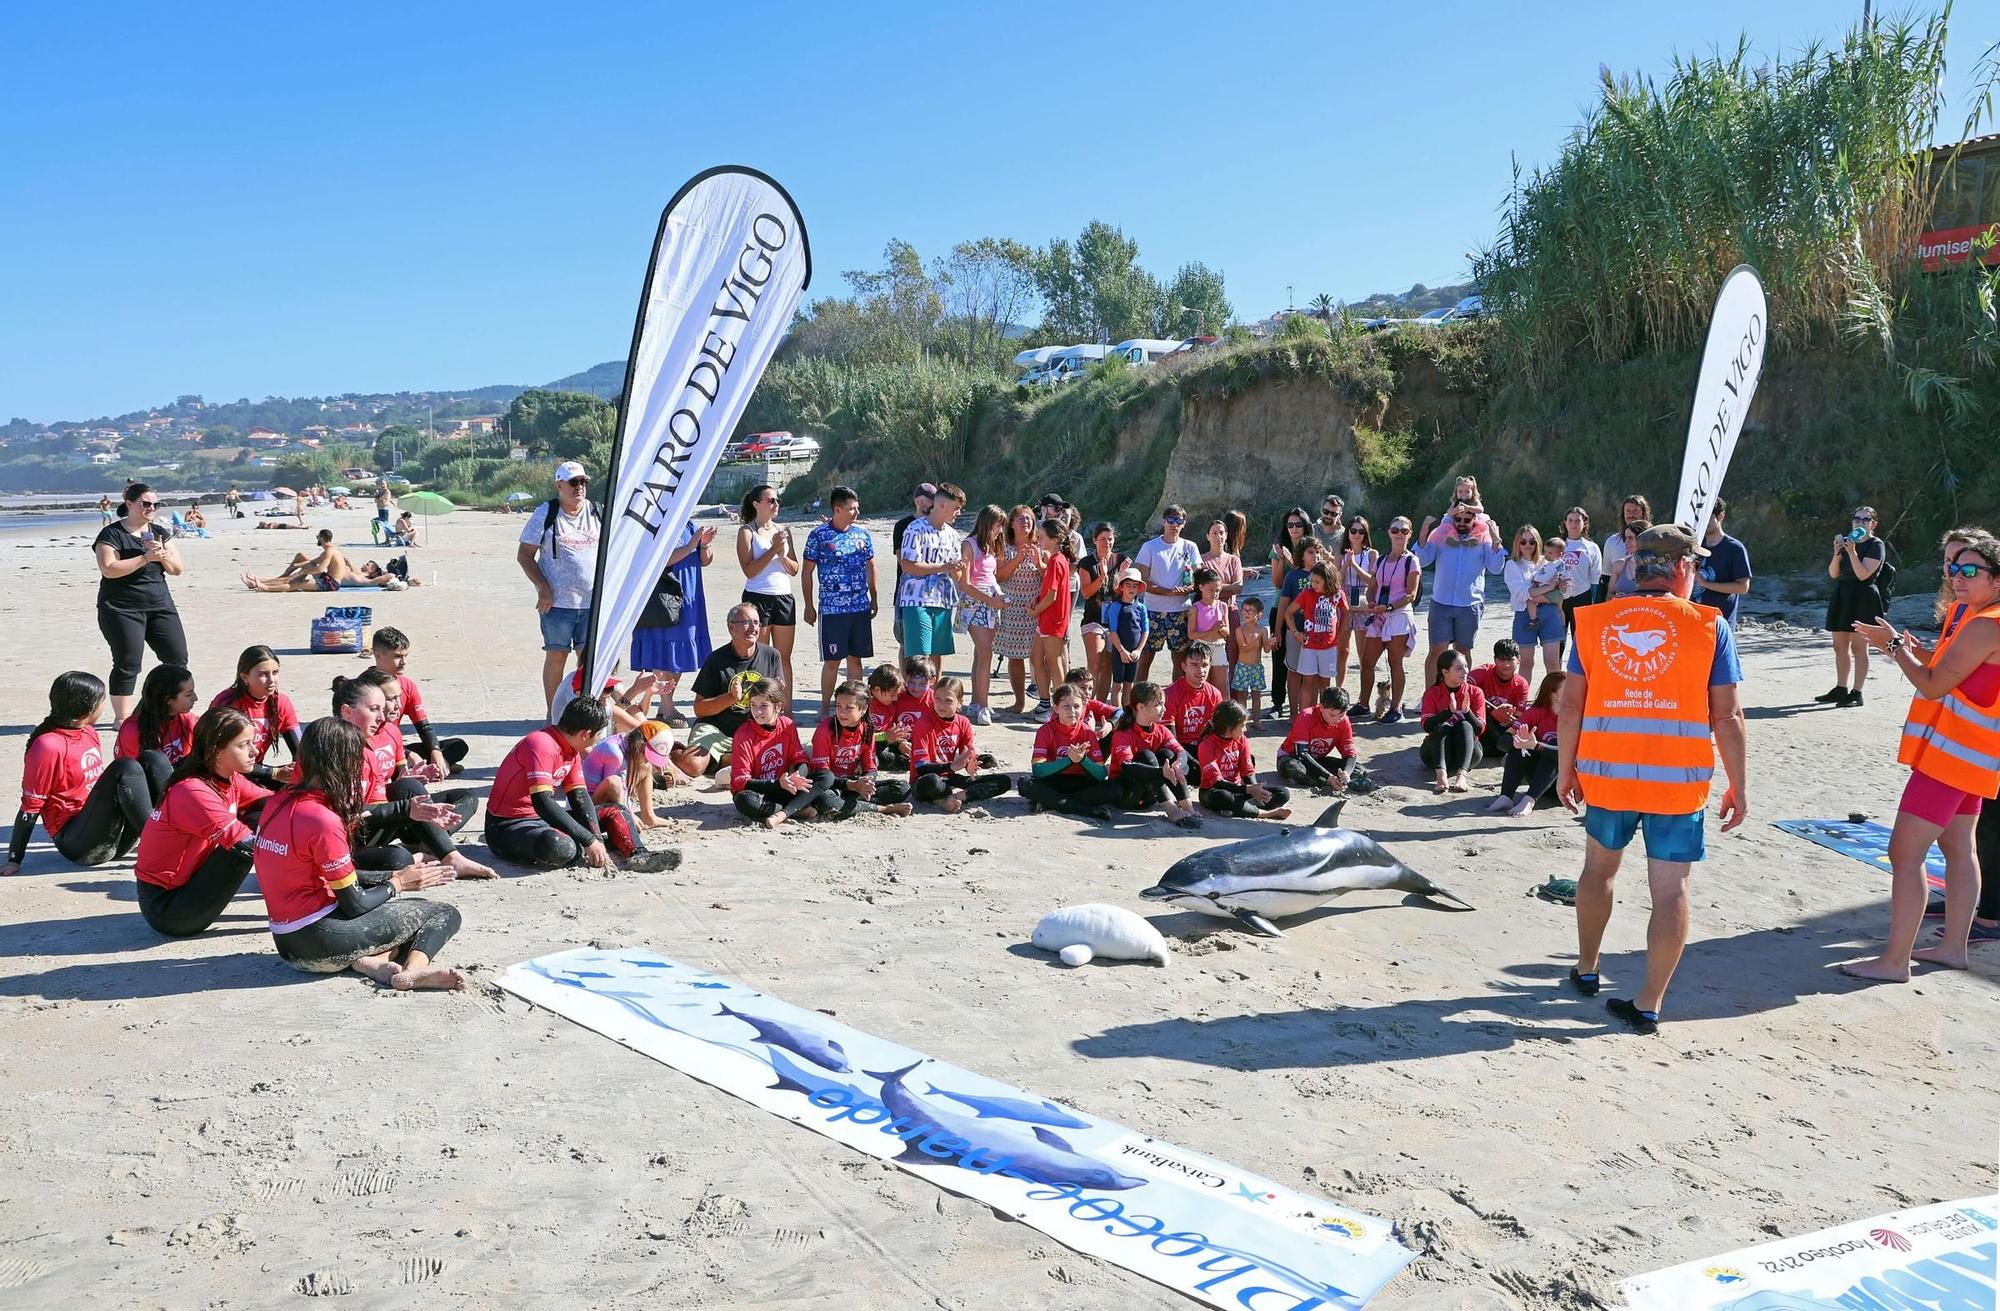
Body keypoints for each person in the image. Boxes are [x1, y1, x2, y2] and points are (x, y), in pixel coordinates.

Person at [1558, 523, 1748, 1035]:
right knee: (1670, 891)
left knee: (1598, 872)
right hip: (1677, 784)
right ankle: (1648, 1002)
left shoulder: (1595, 621)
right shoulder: (1710, 627)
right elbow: (1727, 717)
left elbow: (1571, 702)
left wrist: (1564, 769)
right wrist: (1739, 784)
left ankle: (1587, 968)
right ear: (1683, 568)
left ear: (1636, 565)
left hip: (1607, 777)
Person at [1842, 530, 2000, 982]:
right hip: (1973, 757)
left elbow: (1933, 684)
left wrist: (1892, 648)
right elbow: (1951, 670)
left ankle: (1894, 961)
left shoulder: (1987, 623)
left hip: (1953, 758)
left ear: (1996, 577)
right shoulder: (1976, 615)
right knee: (1957, 848)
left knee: (1904, 854)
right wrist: (1907, 648)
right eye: (1952, 567)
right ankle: (1953, 948)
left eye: (1970, 569)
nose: (1957, 576)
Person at [255, 717, 463, 990]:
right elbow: (355, 904)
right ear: (344, 764)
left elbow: (321, 875)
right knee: (440, 912)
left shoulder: (277, 803)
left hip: (286, 943)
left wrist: (392, 874)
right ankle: (412, 971)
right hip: (322, 941)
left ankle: (373, 961)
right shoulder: (322, 819)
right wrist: (400, 883)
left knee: (390, 913)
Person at [488, 694, 681, 871]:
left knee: (616, 811)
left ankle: (638, 854)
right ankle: (583, 848)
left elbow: (579, 796)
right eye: (597, 735)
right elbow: (542, 802)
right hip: (508, 826)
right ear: (585, 734)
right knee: (558, 845)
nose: (597, 741)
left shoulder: (570, 749)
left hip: (541, 820)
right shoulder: (541, 744)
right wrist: (588, 840)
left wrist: (594, 837)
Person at [1, 672, 162, 875]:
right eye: (102, 701)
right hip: (80, 845)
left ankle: (173, 834)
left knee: (152, 759)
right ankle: (159, 846)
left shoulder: (88, 732)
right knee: (125, 767)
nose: (104, 706)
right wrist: (14, 858)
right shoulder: (47, 745)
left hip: (114, 838)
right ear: (88, 708)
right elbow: (30, 806)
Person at [131, 707, 272, 936]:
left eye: (252, 742)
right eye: (243, 745)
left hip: (188, 886)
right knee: (246, 845)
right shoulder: (192, 791)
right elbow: (249, 844)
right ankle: (297, 906)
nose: (254, 751)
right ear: (216, 751)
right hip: (168, 908)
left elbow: (274, 803)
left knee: (266, 814)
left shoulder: (227, 778)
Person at [93, 482, 188, 725]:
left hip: (159, 605)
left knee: (177, 658)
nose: (151, 508)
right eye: (146, 504)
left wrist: (163, 555)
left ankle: (171, 706)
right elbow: (109, 569)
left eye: (155, 504)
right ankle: (122, 717)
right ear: (130, 504)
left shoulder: (159, 533)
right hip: (120, 607)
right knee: (128, 662)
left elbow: (178, 569)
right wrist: (145, 558)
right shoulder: (112, 534)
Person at [517, 460, 602, 714]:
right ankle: (554, 715)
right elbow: (524, 555)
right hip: (556, 604)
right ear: (559, 485)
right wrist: (543, 587)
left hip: (592, 603)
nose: (580, 487)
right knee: (557, 657)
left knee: (587, 661)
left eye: (583, 482)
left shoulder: (597, 511)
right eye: (573, 482)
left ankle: (584, 713)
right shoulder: (547, 513)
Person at [800, 485, 877, 720]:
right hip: (832, 608)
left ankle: (857, 708)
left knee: (856, 659)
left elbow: (871, 565)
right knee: (832, 660)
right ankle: (825, 707)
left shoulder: (862, 534)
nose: (856, 512)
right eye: (852, 508)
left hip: (859, 607)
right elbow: (807, 571)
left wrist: (873, 596)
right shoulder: (819, 535)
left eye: (857, 507)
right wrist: (809, 605)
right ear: (837, 509)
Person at [682, 603, 786, 775]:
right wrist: (730, 698)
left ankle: (726, 759)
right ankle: (676, 754)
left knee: (772, 759)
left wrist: (777, 693)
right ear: (731, 627)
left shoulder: (771, 655)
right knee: (692, 766)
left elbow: (777, 704)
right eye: (746, 622)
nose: (753, 628)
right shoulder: (716, 660)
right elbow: (699, 709)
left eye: (756, 622)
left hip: (754, 730)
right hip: (717, 730)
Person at [630, 518, 717, 722]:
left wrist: (704, 544)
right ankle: (668, 707)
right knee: (663, 648)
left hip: (689, 592)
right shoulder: (657, 521)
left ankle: (664, 704)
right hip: (664, 594)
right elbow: (656, 558)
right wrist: (690, 546)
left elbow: (704, 561)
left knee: (680, 650)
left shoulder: (690, 524)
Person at [1415, 500, 1506, 687]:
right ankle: (1431, 694)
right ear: (1452, 519)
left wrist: (1496, 540)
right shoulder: (1440, 536)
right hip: (1441, 601)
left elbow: (1496, 568)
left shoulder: (1484, 539)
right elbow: (1423, 560)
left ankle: (1461, 692)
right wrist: (1424, 531)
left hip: (1470, 603)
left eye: (1467, 519)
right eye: (1458, 519)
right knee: (1437, 650)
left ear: (1475, 520)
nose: (1462, 522)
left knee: (1463, 651)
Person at [730, 680, 841, 828]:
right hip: (762, 792)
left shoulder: (786, 725)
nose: (757, 712)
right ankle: (795, 810)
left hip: (787, 786)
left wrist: (797, 776)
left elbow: (800, 758)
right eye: (753, 705)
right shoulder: (743, 734)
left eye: (764, 706)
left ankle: (783, 813)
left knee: (826, 776)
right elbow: (740, 781)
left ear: (778, 706)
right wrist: (777, 783)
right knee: (744, 801)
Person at [368, 628, 467, 777]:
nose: (403, 662)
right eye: (397, 656)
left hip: (396, 746)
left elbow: (424, 727)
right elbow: (363, 736)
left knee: (457, 746)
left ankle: (434, 765)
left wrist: (437, 753)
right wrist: (407, 755)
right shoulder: (365, 687)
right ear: (377, 655)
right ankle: (422, 768)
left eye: (405, 656)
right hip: (373, 748)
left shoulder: (407, 685)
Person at [1106, 682, 1202, 829]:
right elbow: (1128, 767)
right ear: (1140, 707)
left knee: (1168, 754)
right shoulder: (1122, 734)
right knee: (1146, 755)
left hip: (1150, 796)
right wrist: (1161, 772)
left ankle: (1187, 807)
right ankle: (1171, 809)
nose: (1164, 709)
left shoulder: (1161, 730)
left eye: (1163, 704)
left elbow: (1180, 751)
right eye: (1158, 704)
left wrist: (1178, 764)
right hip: (1129, 795)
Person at [895, 482, 966, 681]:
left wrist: (957, 569)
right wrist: (944, 567)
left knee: (937, 653)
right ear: (942, 505)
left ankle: (934, 697)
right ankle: (915, 700)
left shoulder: (952, 535)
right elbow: (908, 565)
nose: (958, 513)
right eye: (956, 508)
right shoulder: (915, 528)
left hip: (942, 600)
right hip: (916, 600)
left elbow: (956, 575)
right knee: (918, 655)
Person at [736, 482, 800, 699]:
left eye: (777, 500)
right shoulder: (747, 531)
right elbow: (749, 571)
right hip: (757, 596)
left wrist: (781, 554)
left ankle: (786, 709)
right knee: (759, 655)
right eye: (770, 500)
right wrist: (773, 549)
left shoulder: (783, 531)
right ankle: (758, 705)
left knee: (783, 657)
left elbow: (794, 569)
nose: (775, 504)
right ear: (756, 504)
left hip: (783, 597)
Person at [811, 680, 913, 816]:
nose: (841, 712)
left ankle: (851, 804)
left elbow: (870, 765)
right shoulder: (825, 730)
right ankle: (882, 809)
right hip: (832, 785)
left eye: (849, 707)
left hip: (855, 783)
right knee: (825, 800)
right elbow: (821, 774)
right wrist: (851, 785)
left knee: (902, 788)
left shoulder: (866, 728)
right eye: (838, 706)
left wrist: (867, 782)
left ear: (863, 709)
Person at [908, 676, 1009, 811]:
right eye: (937, 699)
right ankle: (942, 800)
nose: (941, 705)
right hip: (924, 781)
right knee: (932, 781)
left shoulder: (963, 723)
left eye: (948, 701)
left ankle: (959, 797)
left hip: (949, 778)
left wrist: (970, 765)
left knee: (1004, 781)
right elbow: (921, 768)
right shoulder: (923, 723)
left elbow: (967, 755)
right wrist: (952, 766)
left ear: (959, 703)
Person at [1820, 504, 1886, 708]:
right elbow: (1833, 573)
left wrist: (1852, 552)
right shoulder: (1849, 544)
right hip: (1843, 594)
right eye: (1857, 519)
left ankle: (1857, 692)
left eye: (1865, 520)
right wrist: (1837, 552)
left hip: (1863, 596)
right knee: (1839, 646)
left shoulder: (1876, 545)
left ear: (1873, 524)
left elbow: (1863, 574)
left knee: (1859, 647)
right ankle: (1841, 688)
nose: (1860, 523)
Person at [1355, 518, 1421, 722]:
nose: (1399, 533)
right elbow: (1372, 586)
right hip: (1379, 615)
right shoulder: (1382, 559)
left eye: (1404, 530)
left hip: (1399, 616)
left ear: (1410, 533)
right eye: (1395, 530)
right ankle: (1363, 704)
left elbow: (1411, 593)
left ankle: (1395, 709)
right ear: (1389, 533)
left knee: (1395, 663)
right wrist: (1373, 602)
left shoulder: (1412, 560)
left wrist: (1390, 607)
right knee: (1367, 662)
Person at [1019, 684, 1117, 820]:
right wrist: (1069, 760)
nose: (1072, 711)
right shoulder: (1045, 730)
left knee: (1115, 788)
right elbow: (1038, 771)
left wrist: (1082, 760)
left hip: (1080, 782)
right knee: (1025, 783)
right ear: (1056, 709)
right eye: (1066, 706)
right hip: (1053, 780)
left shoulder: (1088, 732)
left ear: (1083, 708)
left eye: (1077, 706)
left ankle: (1052, 803)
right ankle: (1081, 808)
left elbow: (1101, 774)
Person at [210, 645, 302, 786]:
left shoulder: (281, 703)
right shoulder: (227, 704)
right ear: (244, 677)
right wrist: (273, 773)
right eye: (263, 674)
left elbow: (301, 751)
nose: (272, 680)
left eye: (275, 672)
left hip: (257, 772)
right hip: (225, 776)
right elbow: (221, 758)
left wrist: (297, 773)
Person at [1135, 506, 1203, 683]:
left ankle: (1176, 701)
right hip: (1152, 610)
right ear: (1163, 521)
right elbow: (1141, 580)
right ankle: (1137, 702)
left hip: (1181, 611)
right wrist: (1167, 592)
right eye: (1171, 520)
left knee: (1180, 661)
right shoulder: (1150, 547)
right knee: (1145, 658)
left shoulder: (1190, 546)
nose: (1174, 525)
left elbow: (1199, 576)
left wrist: (1190, 588)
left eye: (1178, 521)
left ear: (1184, 524)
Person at [115, 663, 197, 801]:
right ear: (168, 699)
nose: (195, 698)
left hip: (180, 787)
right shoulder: (133, 730)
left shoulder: (188, 720)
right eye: (188, 694)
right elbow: (132, 779)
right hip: (147, 795)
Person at [1198, 701, 1292, 820]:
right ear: (1228, 728)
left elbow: (1247, 771)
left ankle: (1237, 808)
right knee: (1224, 797)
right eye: (1242, 726)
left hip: (1239, 789)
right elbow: (1217, 782)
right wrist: (1248, 789)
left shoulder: (1242, 740)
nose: (1245, 729)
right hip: (1213, 791)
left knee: (1283, 793)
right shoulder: (1206, 745)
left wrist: (1255, 790)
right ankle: (1266, 814)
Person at [1489, 671, 1564, 817]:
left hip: (1564, 785)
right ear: (1554, 695)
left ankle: (1529, 801)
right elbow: (1502, 743)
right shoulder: (1536, 712)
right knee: (1519, 744)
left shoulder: (1578, 717)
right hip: (1537, 779)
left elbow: (1571, 756)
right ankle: (1506, 796)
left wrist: (1536, 745)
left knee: (1555, 748)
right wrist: (1518, 742)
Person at [959, 505, 1009, 725]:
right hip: (975, 604)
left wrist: (999, 598)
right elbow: (966, 583)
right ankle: (983, 705)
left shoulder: (992, 546)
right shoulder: (969, 545)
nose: (999, 530)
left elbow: (992, 577)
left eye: (1001, 526)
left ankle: (977, 703)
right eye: (997, 525)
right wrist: (991, 600)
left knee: (981, 655)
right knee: (985, 653)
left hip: (991, 602)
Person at [995, 505, 1044, 714]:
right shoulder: (1003, 547)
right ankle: (1019, 701)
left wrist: (1038, 562)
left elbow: (1050, 578)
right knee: (1015, 657)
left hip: (1037, 608)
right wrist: (1017, 559)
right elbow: (999, 576)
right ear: (1011, 523)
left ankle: (1044, 702)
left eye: (1029, 519)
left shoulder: (1041, 546)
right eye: (1021, 519)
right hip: (1012, 608)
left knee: (1039, 658)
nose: (1026, 522)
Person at [1504, 524, 1566, 685]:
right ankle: (1522, 702)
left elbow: (1563, 587)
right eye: (1523, 541)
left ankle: (1554, 702)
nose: (1527, 545)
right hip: (1525, 615)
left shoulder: (1548, 561)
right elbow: (1521, 593)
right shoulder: (1512, 565)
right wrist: (1550, 588)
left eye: (1532, 541)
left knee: (1553, 662)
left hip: (1549, 613)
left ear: (1537, 542)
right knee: (1526, 662)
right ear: (1517, 543)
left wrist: (1548, 592)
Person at [1420, 650, 1487, 794]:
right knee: (1441, 726)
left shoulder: (1475, 692)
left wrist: (1467, 712)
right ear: (1445, 671)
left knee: (1465, 725)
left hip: (1468, 754)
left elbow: (1480, 729)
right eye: (1459, 668)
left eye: (1466, 666)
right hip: (1435, 753)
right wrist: (1448, 713)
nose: (1465, 671)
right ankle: (1441, 775)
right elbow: (1427, 726)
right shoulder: (1432, 693)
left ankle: (1462, 775)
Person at [1267, 507, 1313, 717]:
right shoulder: (1278, 549)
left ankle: (1303, 706)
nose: (1294, 528)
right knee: (1279, 654)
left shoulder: (1312, 548)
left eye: (1298, 524)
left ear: (1306, 526)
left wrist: (1293, 560)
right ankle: (1278, 703)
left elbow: (1312, 575)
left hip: (1308, 612)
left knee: (1305, 660)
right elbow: (1277, 583)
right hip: (1281, 606)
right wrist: (1283, 560)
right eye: (1290, 525)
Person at [1028, 516, 1074, 721]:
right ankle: (1045, 702)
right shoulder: (1056, 560)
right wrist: (1036, 601)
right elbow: (1048, 587)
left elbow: (1053, 595)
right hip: (1046, 619)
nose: (1039, 539)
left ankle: (1062, 707)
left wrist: (1036, 611)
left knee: (1054, 663)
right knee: (1036, 658)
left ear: (1055, 539)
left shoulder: (1057, 560)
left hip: (1053, 620)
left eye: (1043, 537)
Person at [1076, 521, 1127, 702]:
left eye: (1110, 539)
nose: (1107, 543)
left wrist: (1122, 576)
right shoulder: (1086, 563)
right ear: (1095, 541)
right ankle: (1085, 702)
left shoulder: (1121, 560)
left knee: (1108, 667)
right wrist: (1102, 576)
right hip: (1093, 619)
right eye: (1103, 539)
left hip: (1113, 620)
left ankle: (1099, 705)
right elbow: (1086, 592)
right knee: (1095, 664)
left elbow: (1124, 594)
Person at [1277, 686, 1361, 794]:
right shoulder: (1306, 716)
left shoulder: (1344, 721)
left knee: (1358, 769)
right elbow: (1302, 753)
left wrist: (1346, 773)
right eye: (1332, 715)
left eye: (1341, 715)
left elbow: (1350, 753)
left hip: (1317, 759)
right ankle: (1326, 782)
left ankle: (1329, 781)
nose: (1337, 719)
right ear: (1321, 707)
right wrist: (1328, 777)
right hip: (1292, 757)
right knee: (1292, 767)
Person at [1274, 538, 1324, 713]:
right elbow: (1283, 605)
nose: (1315, 555)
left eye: (1318, 551)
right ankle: (1295, 714)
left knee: (1315, 675)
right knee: (1294, 672)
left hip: (1320, 633)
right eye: (1311, 552)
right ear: (1302, 555)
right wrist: (1277, 631)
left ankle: (1313, 712)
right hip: (1295, 630)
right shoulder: (1293, 576)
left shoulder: (1326, 574)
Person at [1286, 562, 1344, 710]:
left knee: (1325, 684)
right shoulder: (1307, 593)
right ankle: (1305, 717)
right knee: (1308, 682)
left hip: (1329, 646)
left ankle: (1323, 717)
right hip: (1310, 646)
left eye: (1317, 582)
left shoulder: (1337, 594)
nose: (1314, 584)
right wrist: (1295, 633)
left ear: (1329, 580)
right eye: (1312, 581)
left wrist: (1340, 632)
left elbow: (1346, 612)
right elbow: (1289, 613)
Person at [891, 482, 937, 658]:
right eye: (930, 499)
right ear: (918, 501)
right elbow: (903, 561)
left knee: (934, 647)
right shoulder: (902, 526)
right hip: (907, 592)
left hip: (934, 593)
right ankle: (907, 683)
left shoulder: (937, 525)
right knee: (906, 643)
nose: (933, 503)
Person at [1334, 517, 1378, 692]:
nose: (1357, 534)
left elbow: (1373, 581)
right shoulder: (1341, 553)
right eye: (1353, 531)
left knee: (1363, 652)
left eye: (1361, 531)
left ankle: (1363, 694)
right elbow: (1336, 580)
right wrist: (1346, 564)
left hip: (1364, 600)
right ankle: (1339, 689)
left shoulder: (1372, 554)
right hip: (1344, 600)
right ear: (1348, 533)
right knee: (1342, 650)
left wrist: (1355, 566)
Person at [1693, 498, 1753, 623]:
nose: (1703, 521)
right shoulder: (1694, 545)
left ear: (1720, 516)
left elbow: (1743, 587)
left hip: (1720, 622)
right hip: (1693, 620)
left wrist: (1705, 584)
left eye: (1708, 517)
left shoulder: (1734, 548)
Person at [1470, 639, 1530, 760]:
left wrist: (1507, 716)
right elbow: (1461, 690)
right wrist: (1491, 710)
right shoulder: (1482, 672)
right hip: (1478, 721)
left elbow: (1518, 716)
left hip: (1503, 725)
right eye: (1501, 660)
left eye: (1510, 659)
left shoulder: (1521, 684)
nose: (1506, 664)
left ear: (1518, 659)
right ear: (1495, 659)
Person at [1101, 567, 1149, 709]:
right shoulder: (1115, 606)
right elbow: (1113, 631)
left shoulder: (1141, 607)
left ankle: (1127, 714)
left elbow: (1145, 631)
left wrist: (1139, 650)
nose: (1132, 589)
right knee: (1117, 685)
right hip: (1119, 652)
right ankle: (1116, 714)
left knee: (1129, 684)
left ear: (1139, 588)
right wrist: (1122, 651)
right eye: (1128, 585)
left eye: (1135, 586)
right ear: (1121, 587)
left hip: (1134, 653)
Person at [1164, 641, 1224, 747]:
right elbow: (1169, 737)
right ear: (1184, 666)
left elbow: (1219, 729)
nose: (1201, 671)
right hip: (1180, 747)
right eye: (1194, 665)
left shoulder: (1215, 694)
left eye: (1205, 665)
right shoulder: (1170, 694)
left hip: (1206, 745)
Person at [1596, 493, 1652, 603]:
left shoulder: (1656, 542)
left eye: (1635, 511)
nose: (1631, 515)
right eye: (1628, 511)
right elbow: (1607, 579)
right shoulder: (1612, 542)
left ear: (1644, 513)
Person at [1558, 507, 1602, 645]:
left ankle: (1578, 667)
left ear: (1584, 523)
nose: (1574, 524)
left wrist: (1594, 607)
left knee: (1581, 643)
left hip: (1582, 597)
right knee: (1558, 642)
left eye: (1578, 520)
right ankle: (1556, 667)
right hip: (1560, 598)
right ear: (1565, 523)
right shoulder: (1557, 545)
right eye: (1570, 520)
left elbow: (1595, 579)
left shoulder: (1592, 547)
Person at [1188, 567, 1232, 694]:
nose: (1215, 594)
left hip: (1218, 647)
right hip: (1201, 647)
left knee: (1222, 686)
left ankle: (1224, 713)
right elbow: (1191, 634)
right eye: (1211, 590)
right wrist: (1212, 631)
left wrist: (1220, 629)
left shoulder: (1223, 606)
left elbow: (1227, 632)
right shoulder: (1195, 608)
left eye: (1217, 590)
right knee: (1202, 685)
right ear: (1201, 587)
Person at [1230, 596, 1273, 721]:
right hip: (1242, 667)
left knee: (1256, 696)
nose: (1246, 613)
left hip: (1257, 667)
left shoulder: (1263, 630)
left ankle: (1256, 721)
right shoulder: (1240, 630)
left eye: (1251, 610)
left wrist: (1270, 642)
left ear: (1259, 614)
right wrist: (1254, 641)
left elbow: (1266, 650)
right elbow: (1244, 648)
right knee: (1242, 696)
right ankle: (1242, 721)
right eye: (1244, 610)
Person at [1606, 520, 1649, 598]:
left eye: (1630, 538)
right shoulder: (1619, 565)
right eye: (1626, 538)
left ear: (1643, 539)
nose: (1626, 542)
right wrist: (1619, 598)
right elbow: (1609, 596)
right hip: (1621, 610)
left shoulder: (1658, 567)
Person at [1310, 494, 1348, 560]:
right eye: (1326, 512)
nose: (1329, 516)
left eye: (1333, 514)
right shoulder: (1310, 530)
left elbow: (1347, 562)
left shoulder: (1345, 534)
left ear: (1339, 515)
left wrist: (1330, 558)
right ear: (1321, 510)